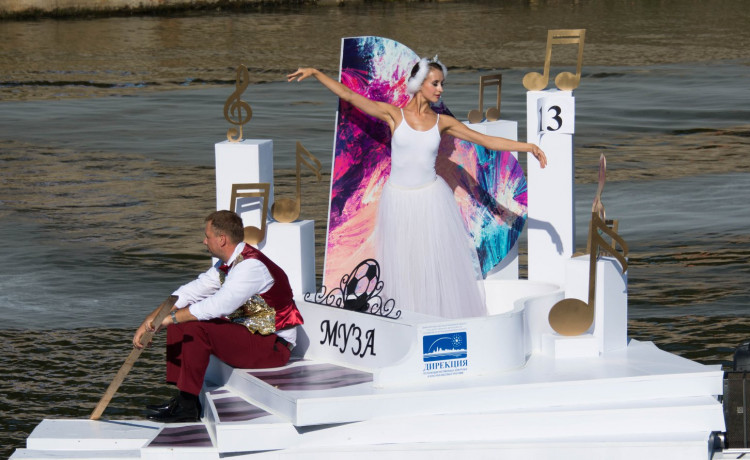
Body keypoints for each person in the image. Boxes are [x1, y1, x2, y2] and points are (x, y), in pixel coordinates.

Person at [287, 56, 547, 319]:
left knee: (431, 261)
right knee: (403, 262)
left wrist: (528, 147)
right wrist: (316, 73)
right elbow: (350, 96)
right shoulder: (394, 114)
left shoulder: (442, 122)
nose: (440, 89)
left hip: (431, 199)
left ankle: (436, 317)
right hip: (397, 199)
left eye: (442, 84)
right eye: (435, 83)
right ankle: (408, 317)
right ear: (419, 83)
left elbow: (485, 140)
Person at [134, 210, 304, 423]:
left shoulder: (251, 266)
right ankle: (184, 399)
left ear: (222, 239)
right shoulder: (228, 264)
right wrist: (151, 320)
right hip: (252, 334)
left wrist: (171, 318)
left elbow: (220, 305)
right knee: (182, 321)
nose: (204, 241)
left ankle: (188, 407)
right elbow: (189, 292)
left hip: (274, 346)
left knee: (193, 326)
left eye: (207, 236)